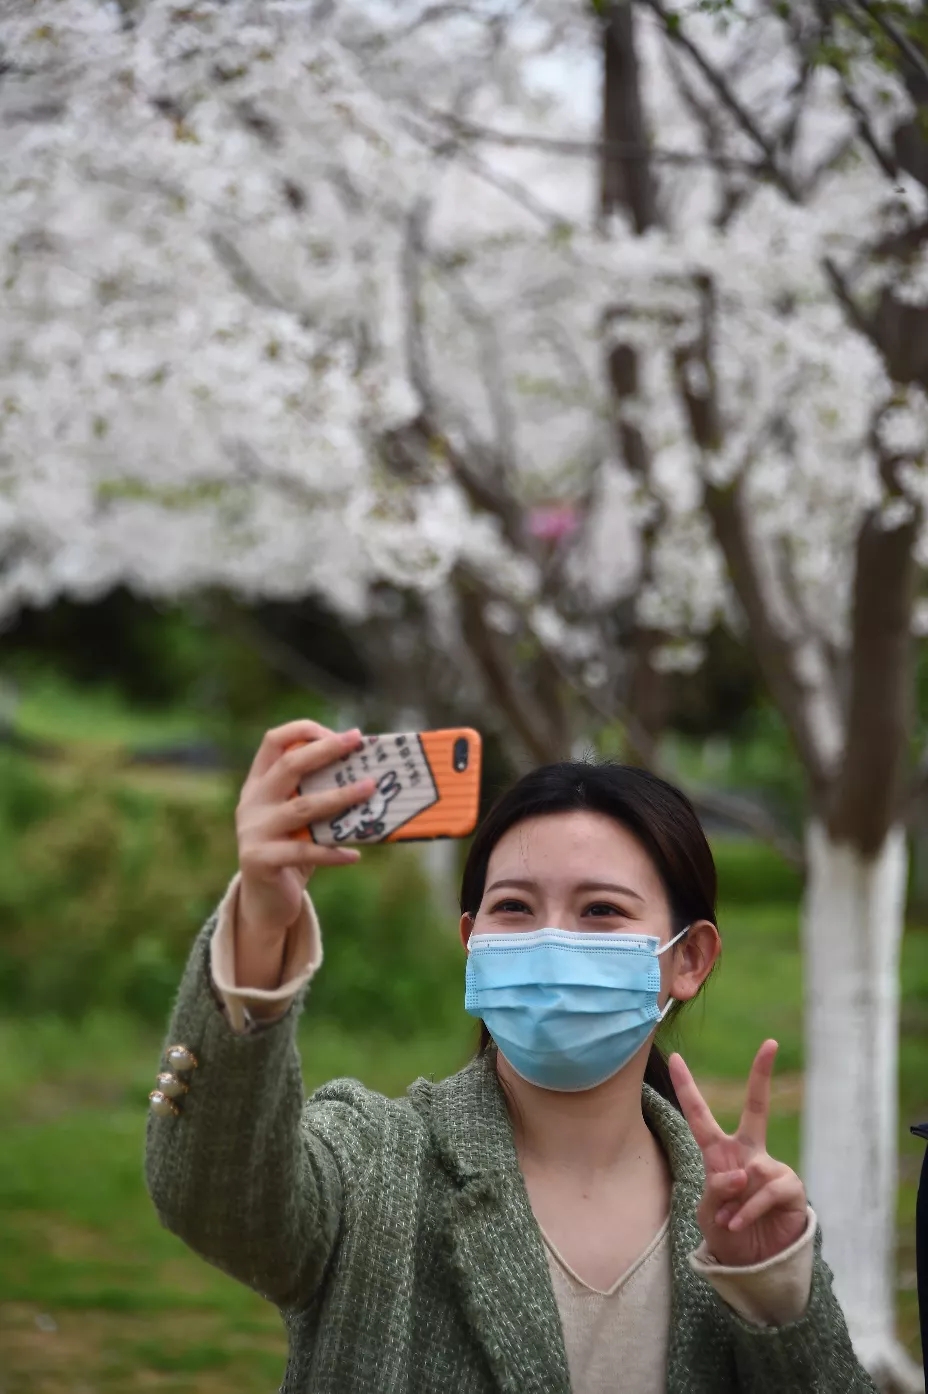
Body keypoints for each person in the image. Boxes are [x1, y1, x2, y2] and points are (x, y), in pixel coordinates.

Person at [146, 720, 876, 1393]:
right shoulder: (374, 1162)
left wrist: (775, 1293)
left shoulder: (739, 1220)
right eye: (515, 908)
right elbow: (217, 1201)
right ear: (473, 942)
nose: (551, 940)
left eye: (602, 911)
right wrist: (259, 924)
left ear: (689, 958)